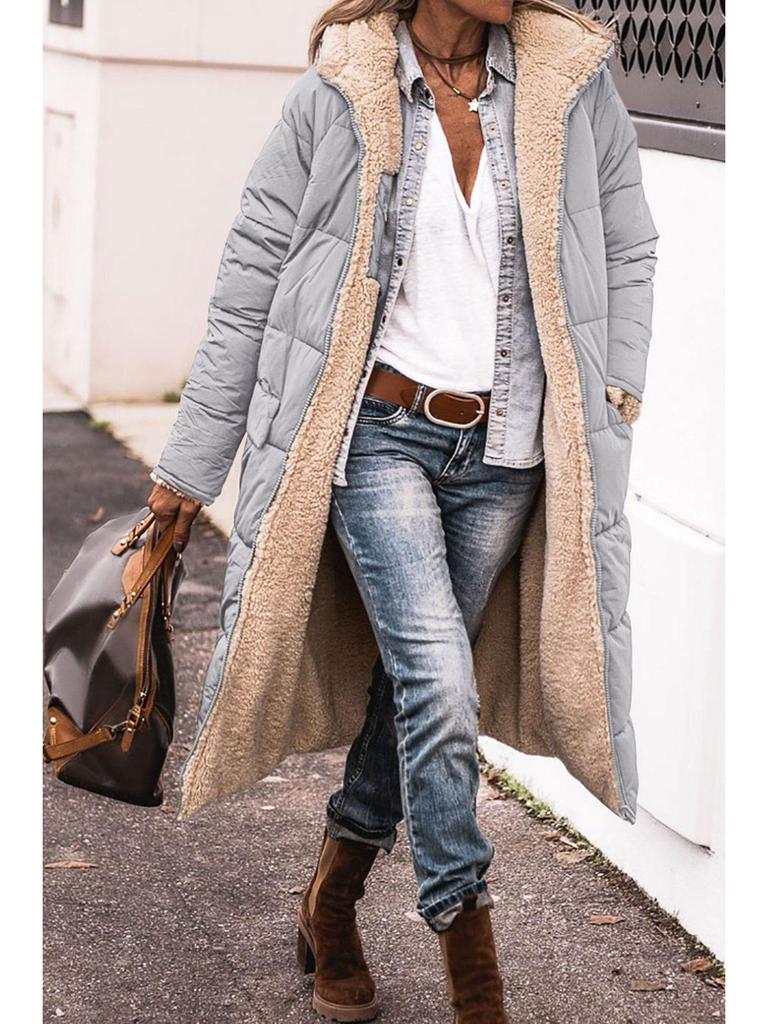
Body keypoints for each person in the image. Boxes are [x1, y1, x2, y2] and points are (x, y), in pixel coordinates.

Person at [148, 2, 658, 1020]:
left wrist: (615, 388)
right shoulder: (344, 89)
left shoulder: (570, 82)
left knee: (417, 689)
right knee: (438, 678)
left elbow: (630, 242)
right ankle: (475, 967)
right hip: (379, 436)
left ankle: (332, 899)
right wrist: (189, 469)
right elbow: (250, 278)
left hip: (505, 449)